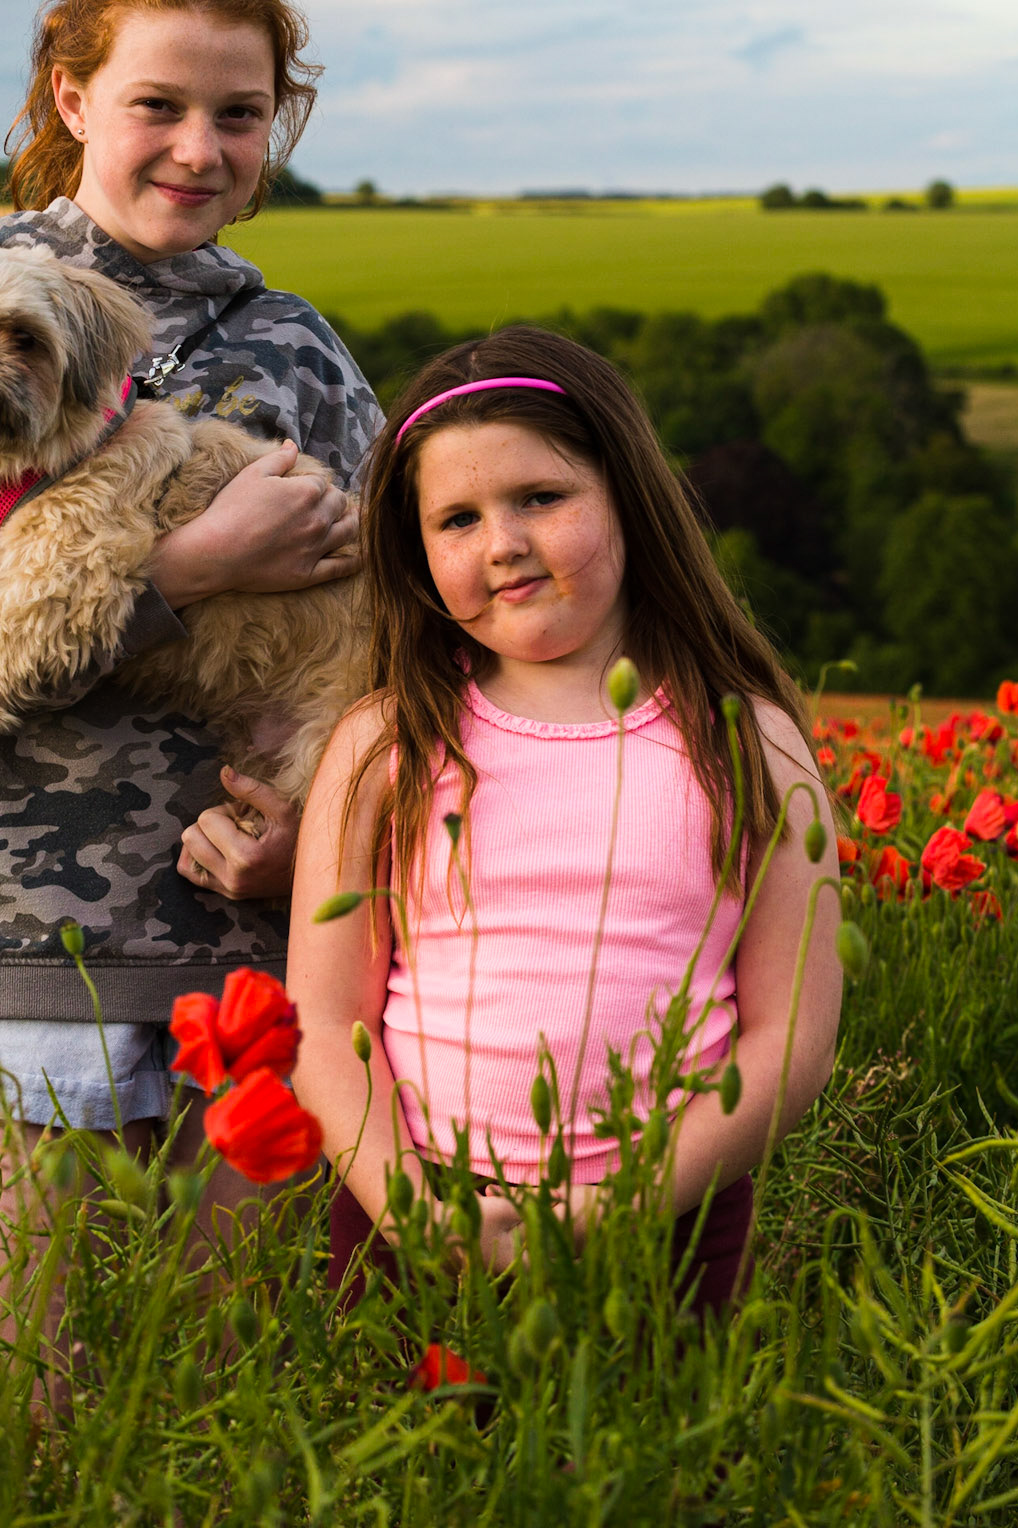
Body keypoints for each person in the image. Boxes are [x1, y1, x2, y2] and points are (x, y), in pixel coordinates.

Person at [0, 0, 383, 1408]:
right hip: (30, 937)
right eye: (158, 104)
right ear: (71, 98)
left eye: (239, 113)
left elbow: (384, 658)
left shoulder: (303, 355)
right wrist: (184, 573)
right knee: (55, 1409)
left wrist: (324, 848)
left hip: (271, 956)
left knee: (237, 1405)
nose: (197, 146)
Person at [288, 328, 841, 1314]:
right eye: (456, 518)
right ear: (417, 558)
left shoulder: (748, 738)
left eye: (540, 497)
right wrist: (411, 1207)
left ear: (628, 493)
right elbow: (328, 1022)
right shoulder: (385, 741)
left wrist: (632, 1198)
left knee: (648, 1468)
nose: (501, 541)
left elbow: (792, 1032)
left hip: (668, 1222)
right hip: (411, 1217)